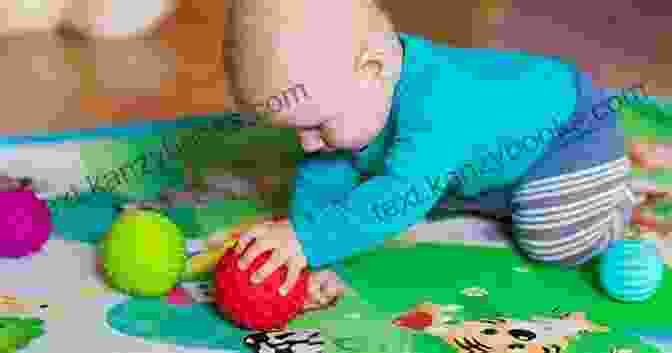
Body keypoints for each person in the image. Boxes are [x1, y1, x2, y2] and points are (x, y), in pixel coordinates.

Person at [203, 0, 672, 311]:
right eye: (294, 130)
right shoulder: (354, 99)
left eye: (317, 125)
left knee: (551, 241)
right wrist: (310, 257)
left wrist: (307, 237)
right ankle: (499, 193)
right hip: (489, 163)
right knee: (377, 172)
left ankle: (614, 208)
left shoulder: (437, 106)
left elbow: (401, 199)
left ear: (372, 71)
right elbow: (322, 180)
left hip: (567, 137)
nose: (306, 143)